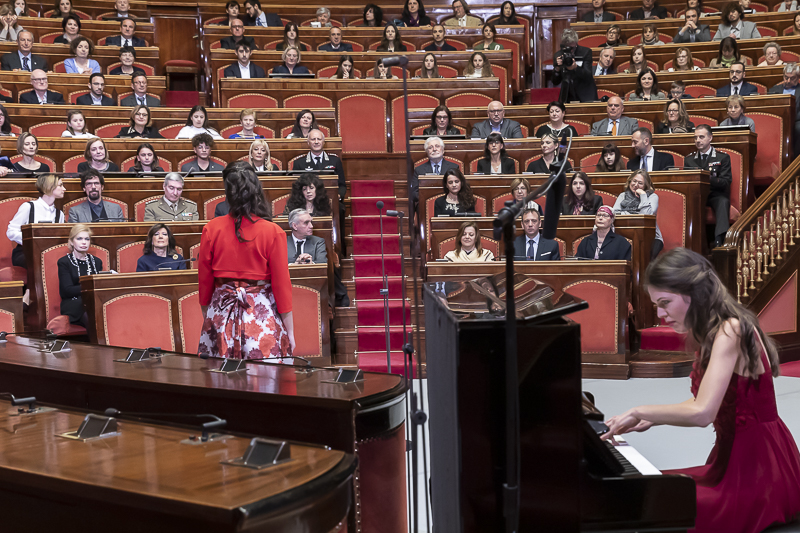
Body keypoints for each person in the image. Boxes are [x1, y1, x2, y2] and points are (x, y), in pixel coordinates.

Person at [601, 248, 800, 533]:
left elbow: (703, 412)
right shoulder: (716, 329)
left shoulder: (731, 330)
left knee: (658, 507)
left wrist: (640, 410)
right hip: (734, 459)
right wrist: (651, 418)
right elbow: (708, 399)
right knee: (649, 491)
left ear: (692, 293)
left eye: (665, 302)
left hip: (759, 470)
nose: (660, 314)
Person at [198, 162, 295, 359]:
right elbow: (282, 286)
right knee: (264, 380)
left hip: (221, 310)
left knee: (219, 379)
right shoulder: (273, 232)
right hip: (261, 315)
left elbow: (205, 282)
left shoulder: (211, 229)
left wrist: (210, 318)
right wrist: (290, 332)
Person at [685, 125, 732, 247]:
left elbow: (726, 182)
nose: (698, 140)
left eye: (701, 137)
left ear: (710, 138)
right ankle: (691, 243)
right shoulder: (689, 160)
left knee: (723, 201)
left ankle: (720, 241)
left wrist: (706, 178)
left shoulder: (723, 157)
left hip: (715, 194)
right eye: (695, 138)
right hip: (697, 195)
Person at [7, 174, 65, 269]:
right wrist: (32, 240)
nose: (64, 189)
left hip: (49, 253)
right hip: (25, 252)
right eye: (61, 185)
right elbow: (11, 231)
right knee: (41, 261)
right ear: (50, 187)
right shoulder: (29, 207)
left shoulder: (60, 214)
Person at [57, 224, 102, 328]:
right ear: (72, 242)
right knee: (90, 311)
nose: (83, 242)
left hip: (92, 301)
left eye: (87, 239)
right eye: (79, 238)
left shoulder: (96, 262)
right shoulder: (64, 262)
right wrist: (91, 287)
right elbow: (67, 290)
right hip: (72, 303)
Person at [291, 130, 346, 215]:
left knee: (339, 208)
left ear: (323, 142)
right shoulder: (299, 163)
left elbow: (342, 185)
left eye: (319, 139)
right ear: (308, 142)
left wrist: (338, 196)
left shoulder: (335, 161)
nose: (316, 142)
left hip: (329, 200)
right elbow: (296, 188)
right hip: (307, 201)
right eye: (313, 139)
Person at [613, 169, 663, 258]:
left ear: (645, 185)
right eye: (634, 181)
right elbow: (615, 215)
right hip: (626, 234)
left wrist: (643, 195)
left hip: (650, 237)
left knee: (644, 258)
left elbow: (646, 216)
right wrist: (634, 216)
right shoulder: (622, 196)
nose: (636, 185)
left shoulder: (652, 197)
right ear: (630, 181)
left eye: (640, 183)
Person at [553, 28, 597, 103]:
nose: (571, 50)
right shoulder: (559, 55)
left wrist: (575, 68)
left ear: (576, 43)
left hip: (585, 94)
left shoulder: (585, 52)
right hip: (568, 94)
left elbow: (588, 75)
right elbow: (555, 81)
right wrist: (557, 68)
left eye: (572, 47)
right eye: (567, 47)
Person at [413, 136, 459, 201]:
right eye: (430, 147)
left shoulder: (454, 167)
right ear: (427, 152)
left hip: (449, 201)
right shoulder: (419, 170)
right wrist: (428, 200)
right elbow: (414, 193)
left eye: (437, 146)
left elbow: (458, 188)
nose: (434, 149)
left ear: (443, 150)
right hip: (426, 203)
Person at [767, 63, 800, 153]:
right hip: (776, 120)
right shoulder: (773, 90)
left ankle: (797, 160)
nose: (788, 81)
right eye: (786, 77)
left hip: (796, 121)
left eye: (792, 78)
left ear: (798, 77)